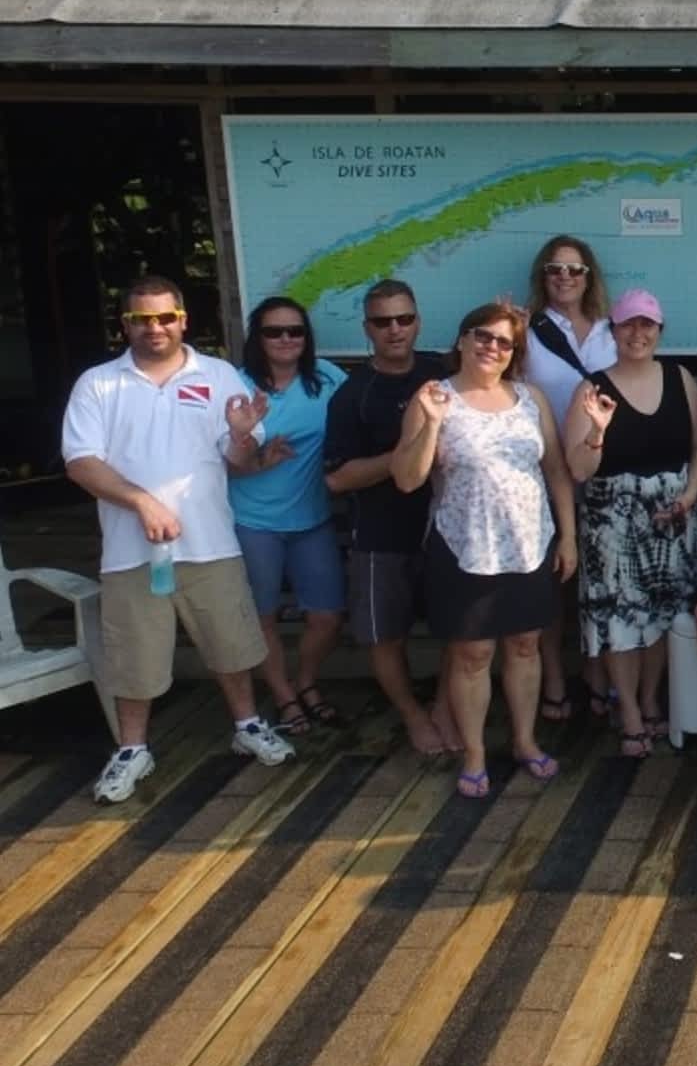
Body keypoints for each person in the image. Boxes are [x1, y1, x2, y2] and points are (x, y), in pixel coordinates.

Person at [62, 276, 296, 805]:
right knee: (134, 659)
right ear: (126, 325)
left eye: (166, 317)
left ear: (183, 319)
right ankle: (132, 748)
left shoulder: (216, 375)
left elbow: (240, 462)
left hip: (211, 543)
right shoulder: (98, 383)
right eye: (143, 320)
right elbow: (80, 462)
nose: (156, 328)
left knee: (230, 646)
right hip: (130, 550)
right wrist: (142, 501)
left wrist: (239, 435)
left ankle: (247, 724)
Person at [391, 302, 578, 798]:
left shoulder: (530, 398)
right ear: (462, 339)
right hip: (463, 545)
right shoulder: (434, 397)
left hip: (529, 544)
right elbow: (407, 480)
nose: (491, 347)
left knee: (525, 646)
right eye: (483, 336)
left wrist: (569, 536)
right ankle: (474, 753)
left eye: (503, 342)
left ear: (514, 353)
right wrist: (431, 424)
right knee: (472, 653)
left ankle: (524, 740)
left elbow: (556, 470)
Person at [565, 290, 697, 758]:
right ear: (614, 330)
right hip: (612, 525)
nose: (638, 334)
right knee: (620, 623)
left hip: (674, 519)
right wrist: (598, 432)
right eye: (628, 325)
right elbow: (578, 470)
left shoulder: (680, 377)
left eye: (647, 325)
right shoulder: (592, 387)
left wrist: (690, 496)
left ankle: (652, 700)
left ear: (660, 331)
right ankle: (628, 711)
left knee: (665, 616)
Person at [324, 280, 454, 759]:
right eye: (383, 322)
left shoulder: (443, 373)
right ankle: (413, 717)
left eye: (404, 319)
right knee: (384, 635)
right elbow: (337, 479)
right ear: (367, 329)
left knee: (457, 630)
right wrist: (406, 454)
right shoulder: (353, 394)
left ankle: (443, 707)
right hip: (381, 533)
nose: (395, 330)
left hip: (447, 529)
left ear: (418, 321)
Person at [229, 296, 348, 736]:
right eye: (273, 331)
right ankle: (283, 696)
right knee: (263, 616)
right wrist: (254, 452)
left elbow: (355, 430)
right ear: (257, 338)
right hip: (252, 519)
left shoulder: (329, 379)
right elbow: (213, 459)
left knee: (328, 615)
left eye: (294, 331)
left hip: (313, 518)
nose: (284, 339)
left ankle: (305, 682)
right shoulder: (236, 385)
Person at [522, 235, 617, 723]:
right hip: (541, 472)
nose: (565, 277)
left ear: (589, 276)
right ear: (543, 275)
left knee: (599, 579)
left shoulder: (612, 328)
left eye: (575, 269)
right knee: (553, 583)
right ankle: (556, 676)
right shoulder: (525, 328)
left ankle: (598, 674)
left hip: (601, 467)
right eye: (555, 268)